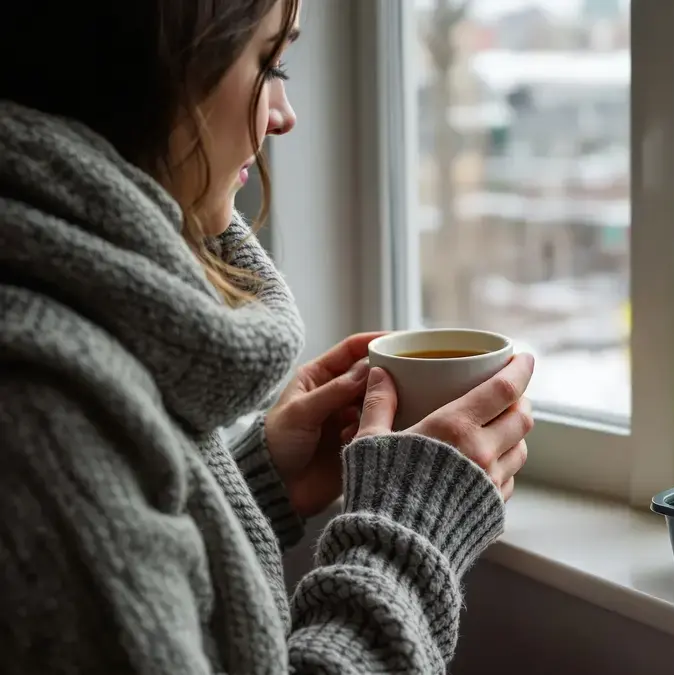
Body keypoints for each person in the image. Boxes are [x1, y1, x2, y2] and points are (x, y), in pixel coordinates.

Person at [0, 0, 534, 672]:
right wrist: (404, 538)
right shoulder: (41, 421)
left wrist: (244, 484)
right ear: (148, 65)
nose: (283, 115)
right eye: (270, 62)